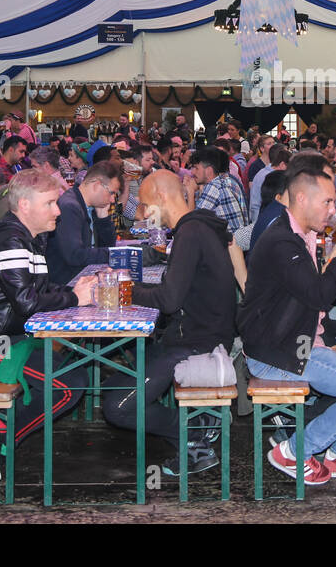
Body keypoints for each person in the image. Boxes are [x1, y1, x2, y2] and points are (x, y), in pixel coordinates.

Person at [238, 154, 336, 485]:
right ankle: (295, 451)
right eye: (326, 202)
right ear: (302, 199)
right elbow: (321, 296)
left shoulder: (303, 232)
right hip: (276, 351)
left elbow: (313, 297)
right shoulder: (282, 240)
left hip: (302, 337)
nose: (331, 209)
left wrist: (329, 341)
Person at [0, 170, 97, 485]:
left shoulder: (27, 239)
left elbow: (40, 291)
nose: (58, 211)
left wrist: (75, 293)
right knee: (68, 383)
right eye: (50, 203)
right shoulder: (9, 241)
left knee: (73, 375)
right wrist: (75, 297)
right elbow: (28, 303)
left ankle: (0, 430)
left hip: (10, 338)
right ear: (24, 205)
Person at [102, 170, 241, 476]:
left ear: (162, 197)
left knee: (118, 406)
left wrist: (123, 290)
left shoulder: (190, 233)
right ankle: (199, 427)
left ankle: (195, 435)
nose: (143, 212)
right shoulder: (196, 228)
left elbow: (168, 300)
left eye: (145, 204)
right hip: (197, 334)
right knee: (112, 384)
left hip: (197, 344)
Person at [47, 161, 119, 284]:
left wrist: (103, 218)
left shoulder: (91, 205)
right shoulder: (69, 206)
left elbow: (107, 246)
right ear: (97, 185)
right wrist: (117, 255)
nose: (112, 199)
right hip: (66, 284)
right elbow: (75, 255)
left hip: (83, 276)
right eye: (112, 193)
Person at [191, 146, 249, 232]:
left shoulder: (215, 187)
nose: (192, 172)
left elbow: (192, 224)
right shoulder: (224, 181)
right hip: (233, 241)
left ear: (209, 171)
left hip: (228, 244)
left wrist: (190, 192)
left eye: (196, 168)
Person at [248, 143, 290, 224]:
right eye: (288, 166)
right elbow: (256, 205)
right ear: (282, 164)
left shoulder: (265, 172)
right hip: (262, 220)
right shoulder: (266, 176)